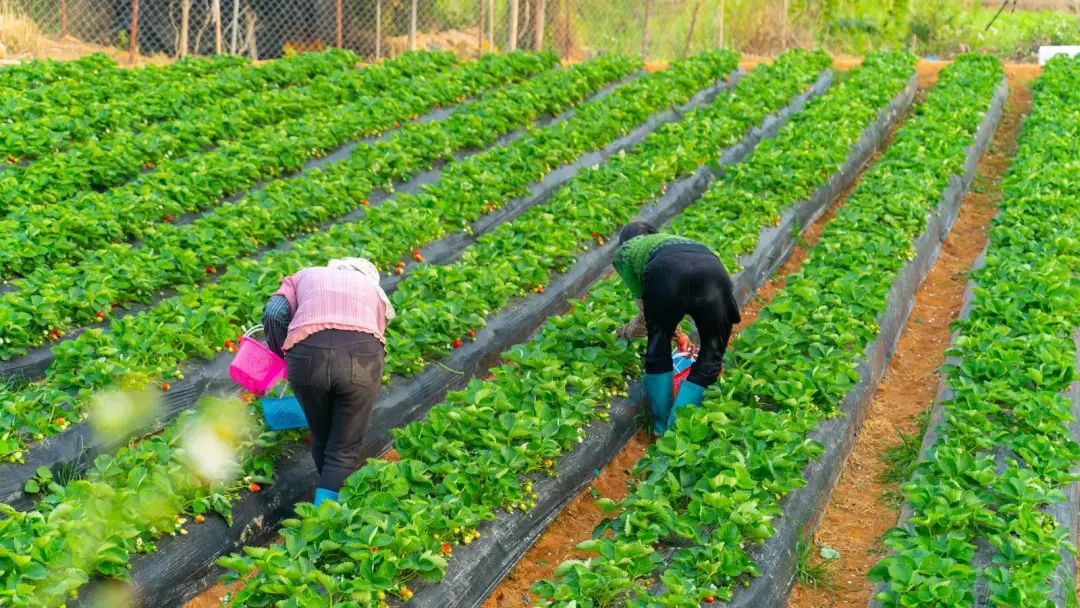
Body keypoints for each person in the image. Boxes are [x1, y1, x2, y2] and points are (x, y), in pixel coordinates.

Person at [262, 257, 395, 507]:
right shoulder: (373, 290)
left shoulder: (305, 274)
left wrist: (283, 355)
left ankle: (328, 509)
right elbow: (376, 333)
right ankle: (329, 519)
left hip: (307, 353)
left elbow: (274, 313)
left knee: (322, 437)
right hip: (361, 356)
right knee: (343, 449)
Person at [613, 221, 740, 435]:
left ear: (624, 242)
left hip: (667, 273)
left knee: (658, 345)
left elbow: (647, 315)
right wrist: (680, 336)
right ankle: (679, 430)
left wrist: (623, 332)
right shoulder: (674, 241)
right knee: (711, 354)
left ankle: (663, 429)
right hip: (714, 273)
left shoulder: (625, 253)